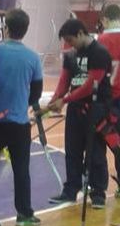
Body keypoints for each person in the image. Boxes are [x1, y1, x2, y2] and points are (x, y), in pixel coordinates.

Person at [0, 9, 43, 226]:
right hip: (18, 124)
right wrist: (20, 104)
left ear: (5, 28)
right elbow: (36, 93)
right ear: (25, 31)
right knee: (21, 170)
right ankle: (24, 214)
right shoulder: (33, 58)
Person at [47, 19, 112, 209]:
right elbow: (64, 80)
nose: (70, 44)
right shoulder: (71, 55)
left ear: (81, 33)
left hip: (95, 108)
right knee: (72, 150)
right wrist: (55, 99)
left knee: (95, 151)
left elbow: (91, 85)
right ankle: (70, 190)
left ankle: (98, 193)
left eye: (71, 40)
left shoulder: (99, 53)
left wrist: (64, 100)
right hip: (75, 109)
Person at [97, 4, 120, 197]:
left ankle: (99, 189)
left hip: (108, 101)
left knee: (101, 142)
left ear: (105, 19)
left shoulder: (102, 41)